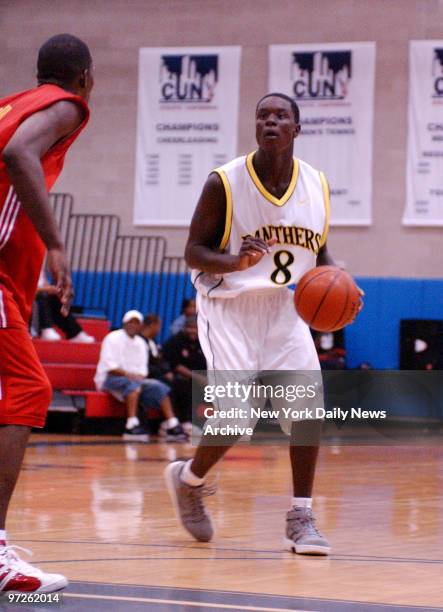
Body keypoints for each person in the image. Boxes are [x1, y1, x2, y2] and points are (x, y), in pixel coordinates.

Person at [165, 93, 361, 555]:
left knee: (307, 412)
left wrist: (341, 285)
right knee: (236, 418)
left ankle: (301, 516)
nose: (270, 121)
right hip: (227, 304)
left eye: (281, 116)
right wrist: (236, 261)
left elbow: (319, 256)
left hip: (282, 307)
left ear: (297, 128)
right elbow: (193, 251)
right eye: (262, 115)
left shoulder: (316, 184)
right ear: (255, 127)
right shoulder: (225, 182)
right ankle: (190, 481)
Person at [0, 34, 93, 592]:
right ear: (84, 76)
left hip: (9, 284)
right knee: (30, 390)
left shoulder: (12, 102)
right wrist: (56, 244)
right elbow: (17, 156)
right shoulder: (68, 105)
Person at [94, 310, 187, 441]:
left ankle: (172, 424)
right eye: (130, 322)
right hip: (109, 379)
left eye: (136, 323)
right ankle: (131, 424)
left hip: (135, 380)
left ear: (140, 326)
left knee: (159, 387)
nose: (133, 325)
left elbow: (143, 370)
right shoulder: (112, 337)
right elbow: (109, 367)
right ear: (124, 323)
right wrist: (129, 375)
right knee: (134, 385)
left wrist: (138, 376)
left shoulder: (141, 343)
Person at [162, 314, 206, 427]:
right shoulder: (176, 341)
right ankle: (183, 420)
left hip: (196, 376)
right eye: (190, 327)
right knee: (185, 383)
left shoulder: (202, 342)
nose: (192, 331)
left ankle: (204, 421)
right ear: (184, 328)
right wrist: (197, 376)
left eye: (195, 328)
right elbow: (175, 365)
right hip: (174, 376)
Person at [35, 268, 95, 342]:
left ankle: (74, 332)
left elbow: (45, 284)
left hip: (40, 293)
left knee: (55, 298)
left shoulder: (40, 268)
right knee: (42, 296)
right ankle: (46, 328)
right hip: (31, 296)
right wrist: (46, 289)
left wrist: (53, 290)